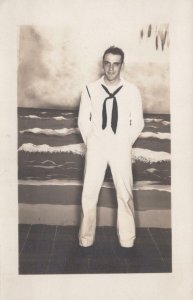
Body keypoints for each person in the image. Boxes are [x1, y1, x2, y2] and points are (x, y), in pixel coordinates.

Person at [78, 46, 144, 250]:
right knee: (89, 193)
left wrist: (124, 142)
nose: (111, 68)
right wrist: (92, 141)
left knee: (125, 194)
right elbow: (83, 120)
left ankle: (127, 239)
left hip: (120, 147)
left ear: (121, 65)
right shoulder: (90, 89)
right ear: (103, 63)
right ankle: (85, 239)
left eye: (116, 64)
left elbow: (138, 122)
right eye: (107, 63)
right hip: (97, 146)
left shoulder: (132, 91)